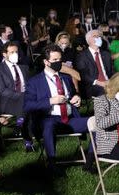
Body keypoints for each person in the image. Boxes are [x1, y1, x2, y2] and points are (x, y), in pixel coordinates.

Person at [25, 44, 88, 175]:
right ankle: (52, 163)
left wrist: (77, 98)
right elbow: (28, 105)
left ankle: (91, 161)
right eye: (54, 60)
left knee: (96, 122)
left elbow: (73, 95)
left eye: (60, 59)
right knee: (48, 125)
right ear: (46, 62)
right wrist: (50, 101)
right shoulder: (34, 82)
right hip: (49, 119)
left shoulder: (65, 78)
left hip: (69, 119)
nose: (58, 63)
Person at [0, 42, 33, 148]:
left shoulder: (24, 67)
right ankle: (28, 140)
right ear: (4, 54)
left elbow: (30, 85)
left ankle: (19, 125)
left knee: (27, 104)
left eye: (16, 52)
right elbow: (2, 90)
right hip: (8, 101)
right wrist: (21, 96)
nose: (15, 54)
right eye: (12, 52)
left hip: (25, 101)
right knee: (26, 103)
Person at [74, 29, 113, 98]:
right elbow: (83, 75)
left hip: (108, 82)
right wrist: (100, 83)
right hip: (93, 84)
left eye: (99, 36)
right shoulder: (82, 56)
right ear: (88, 40)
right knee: (104, 92)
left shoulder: (106, 54)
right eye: (95, 36)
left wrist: (111, 81)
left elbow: (112, 71)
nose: (98, 38)